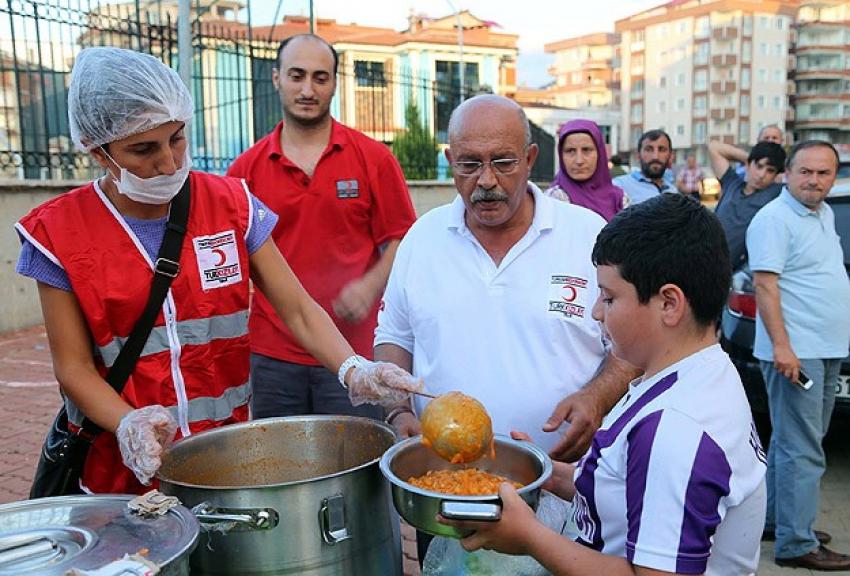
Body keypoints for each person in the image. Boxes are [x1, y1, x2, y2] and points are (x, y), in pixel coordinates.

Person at [14, 47, 419, 495]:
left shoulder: (230, 204)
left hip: (226, 459)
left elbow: (299, 309)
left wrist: (354, 369)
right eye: (143, 149)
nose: (168, 163)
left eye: (177, 138)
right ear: (97, 151)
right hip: (122, 471)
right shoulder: (58, 233)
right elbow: (72, 368)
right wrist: (126, 422)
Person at [441, 194, 768, 576]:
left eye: (609, 297)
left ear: (669, 304)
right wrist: (544, 473)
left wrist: (529, 536)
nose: (595, 311)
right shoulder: (691, 372)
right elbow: (622, 488)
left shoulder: (675, 429)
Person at [375, 93, 639, 564]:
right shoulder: (423, 238)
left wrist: (597, 396)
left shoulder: (586, 235)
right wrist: (398, 413)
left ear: (532, 158)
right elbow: (393, 337)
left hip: (563, 486)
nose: (487, 181)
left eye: (503, 162)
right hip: (450, 491)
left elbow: (633, 347)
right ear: (449, 160)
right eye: (469, 165)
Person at [226, 34, 416, 421]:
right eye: (297, 76)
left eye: (320, 77)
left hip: (355, 353)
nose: (308, 89)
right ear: (277, 78)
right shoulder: (244, 172)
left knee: (357, 470)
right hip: (273, 356)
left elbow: (404, 239)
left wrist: (369, 285)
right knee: (278, 473)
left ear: (334, 83)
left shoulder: (374, 159)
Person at [746, 140, 850, 570]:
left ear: (834, 177)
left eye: (824, 173)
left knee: (793, 444)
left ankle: (778, 523)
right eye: (805, 171)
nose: (814, 180)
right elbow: (766, 286)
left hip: (823, 349)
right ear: (788, 173)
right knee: (802, 449)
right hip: (797, 353)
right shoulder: (774, 219)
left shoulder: (822, 214)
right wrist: (783, 348)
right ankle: (797, 543)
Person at [709, 140, 786, 271]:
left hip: (727, 271)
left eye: (770, 170)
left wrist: (758, 161)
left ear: (775, 175)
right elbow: (714, 147)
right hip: (698, 254)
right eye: (759, 166)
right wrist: (750, 157)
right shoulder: (732, 183)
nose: (762, 175)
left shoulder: (776, 193)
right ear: (748, 165)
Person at [543, 119, 625, 221]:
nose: (579, 160)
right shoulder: (554, 199)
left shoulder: (619, 199)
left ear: (600, 153)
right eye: (570, 151)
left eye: (586, 150)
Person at [612, 129, 677, 205]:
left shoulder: (673, 191)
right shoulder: (619, 187)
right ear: (638, 155)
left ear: (671, 155)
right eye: (648, 150)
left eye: (662, 150)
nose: (655, 156)